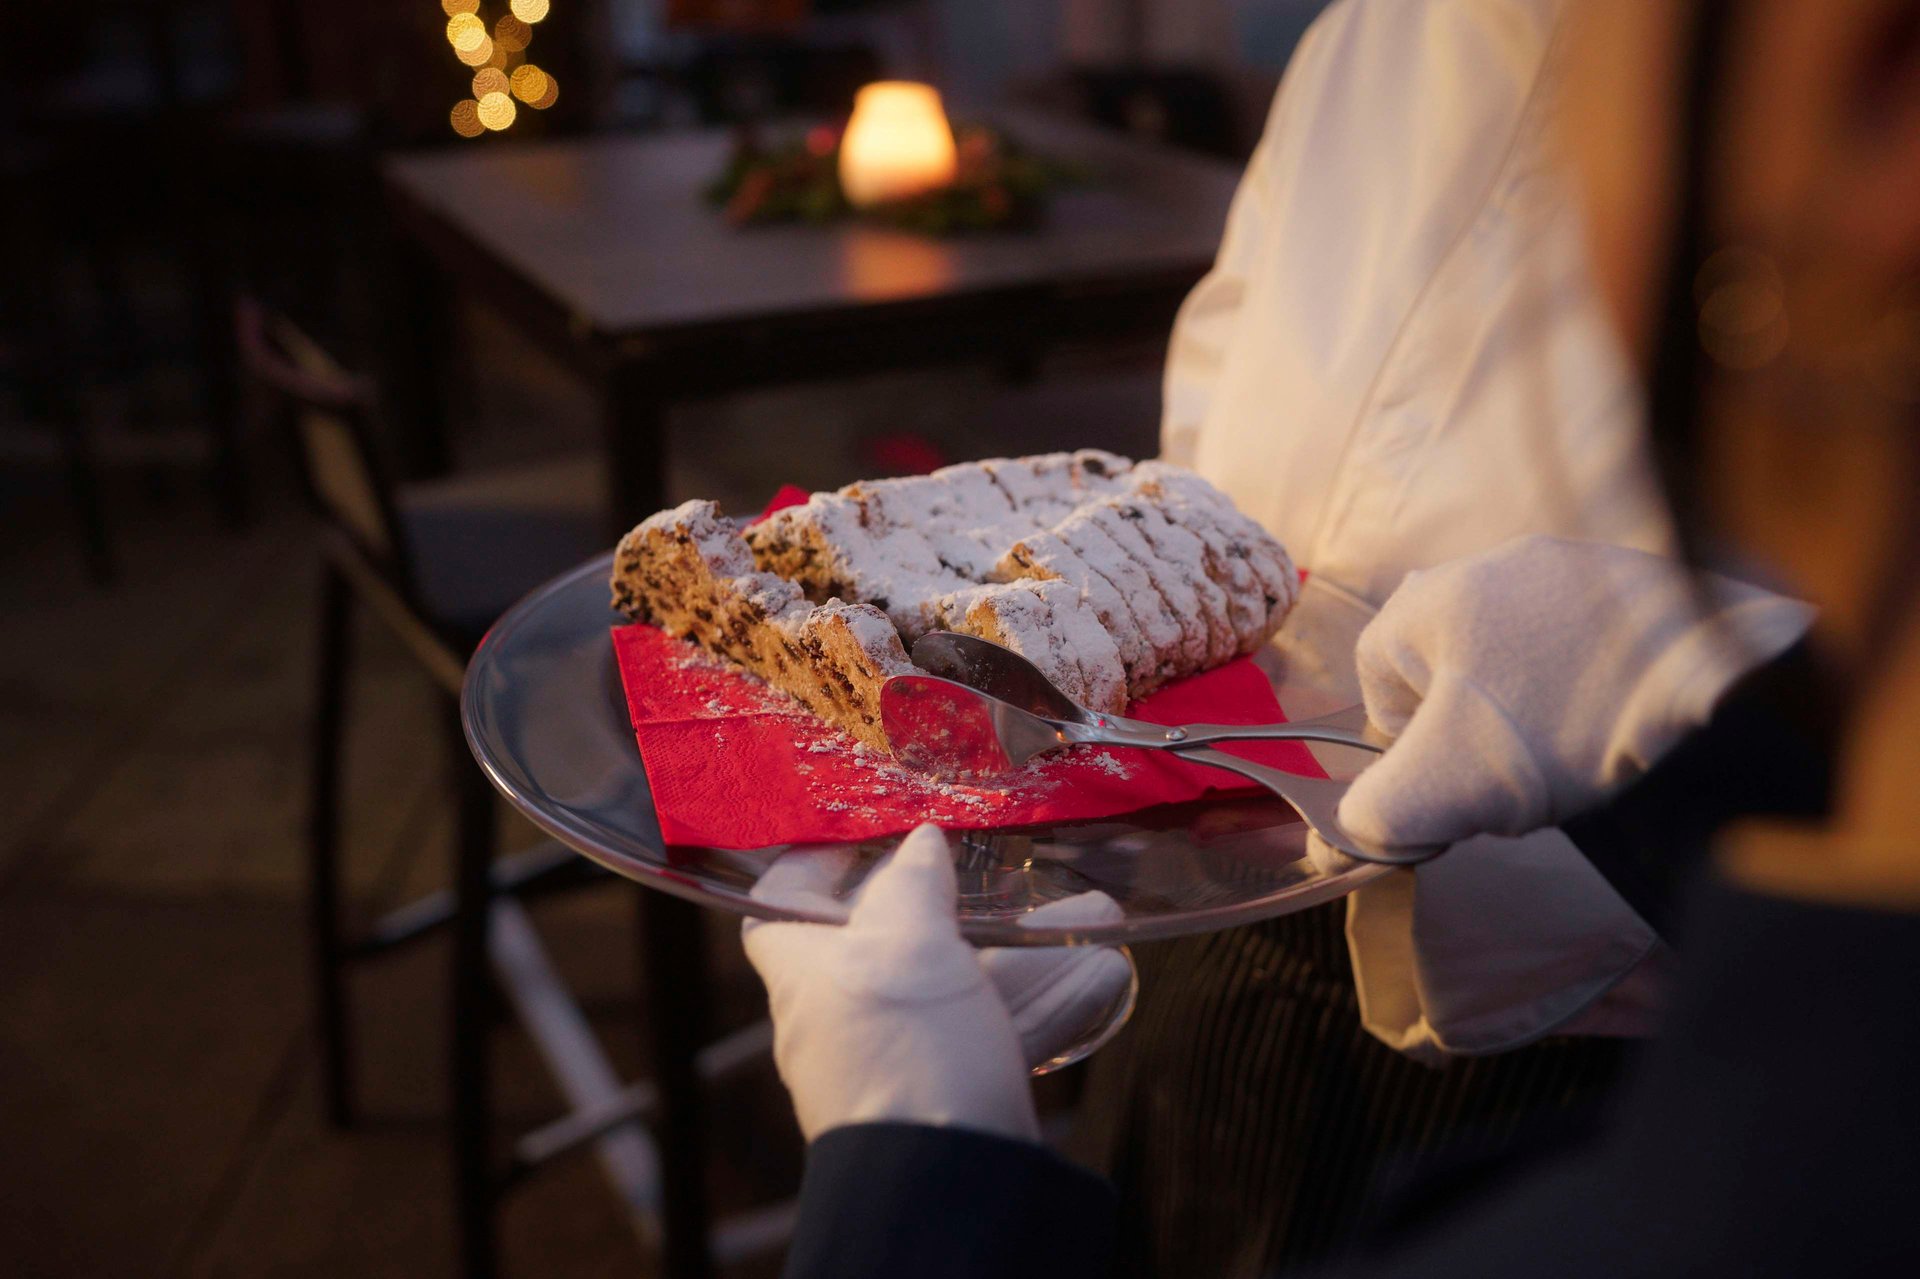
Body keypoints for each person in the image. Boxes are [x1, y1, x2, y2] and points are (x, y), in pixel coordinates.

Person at [745, 0, 1920, 1273]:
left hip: (1587, 1056)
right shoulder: (1379, 31)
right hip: (1212, 939)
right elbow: (1228, 373)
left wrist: (913, 1184)